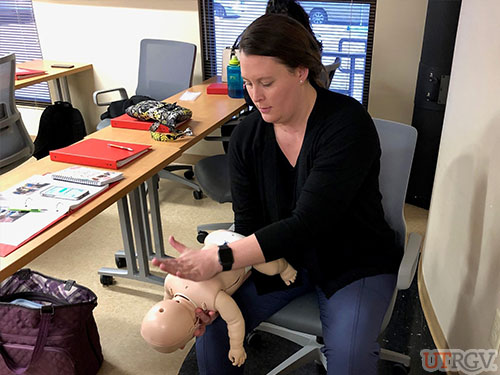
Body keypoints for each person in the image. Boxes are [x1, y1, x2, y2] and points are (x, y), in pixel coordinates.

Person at [153, 14, 402, 375]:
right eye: (249, 83)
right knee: (212, 329)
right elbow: (250, 223)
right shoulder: (247, 136)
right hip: (279, 259)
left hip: (353, 260)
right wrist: (215, 285)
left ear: (301, 71)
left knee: (349, 361)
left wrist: (219, 258)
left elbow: (309, 223)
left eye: (266, 82)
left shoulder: (347, 124)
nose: (255, 96)